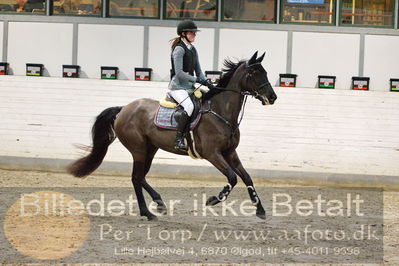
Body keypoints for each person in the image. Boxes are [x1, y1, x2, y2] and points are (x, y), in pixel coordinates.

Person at [169, 20, 214, 152]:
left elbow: (199, 71)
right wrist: (197, 80)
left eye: (195, 33)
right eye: (191, 32)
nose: (194, 35)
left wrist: (207, 82)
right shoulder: (179, 49)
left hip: (190, 86)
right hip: (177, 87)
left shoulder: (193, 49)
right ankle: (178, 139)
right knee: (189, 106)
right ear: (183, 34)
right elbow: (179, 73)